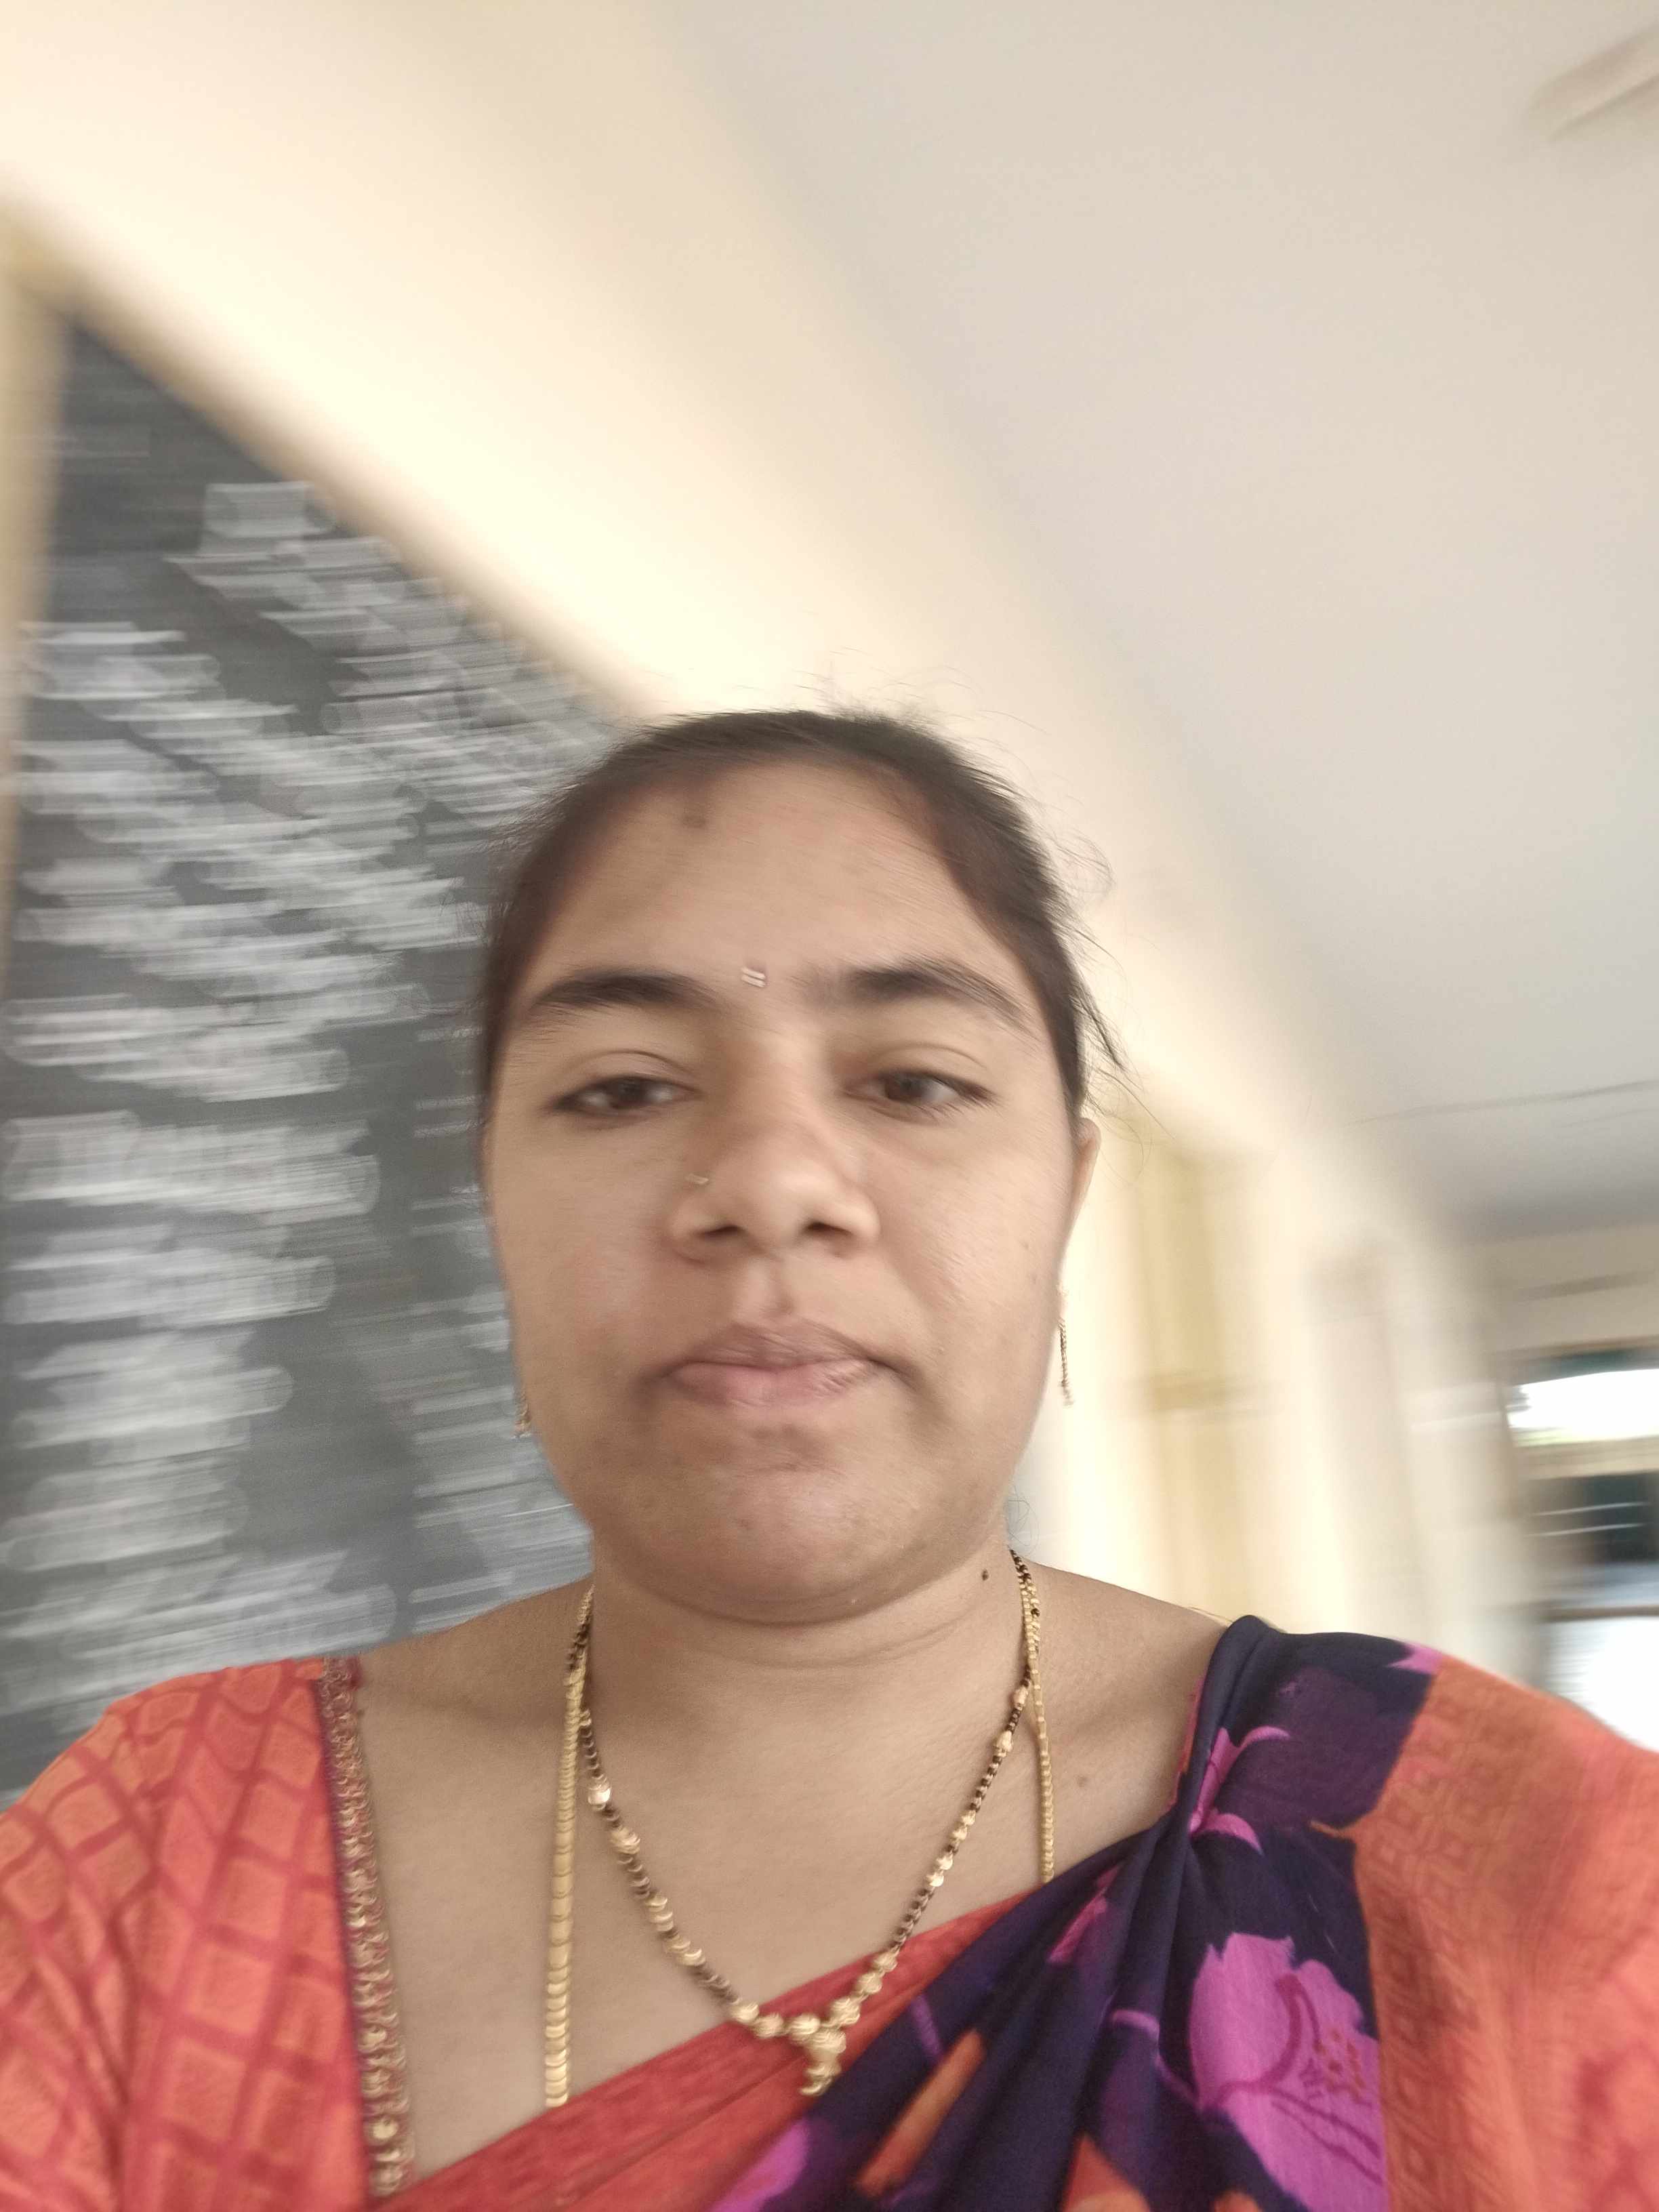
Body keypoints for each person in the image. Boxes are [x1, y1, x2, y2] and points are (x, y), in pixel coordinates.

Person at [2, 709, 1656, 2212]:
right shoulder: (159, 1851)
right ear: (494, 1203)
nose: (771, 1183)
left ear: (1067, 1202)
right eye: (623, 1089)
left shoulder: (1527, 1862)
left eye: (915, 1081)